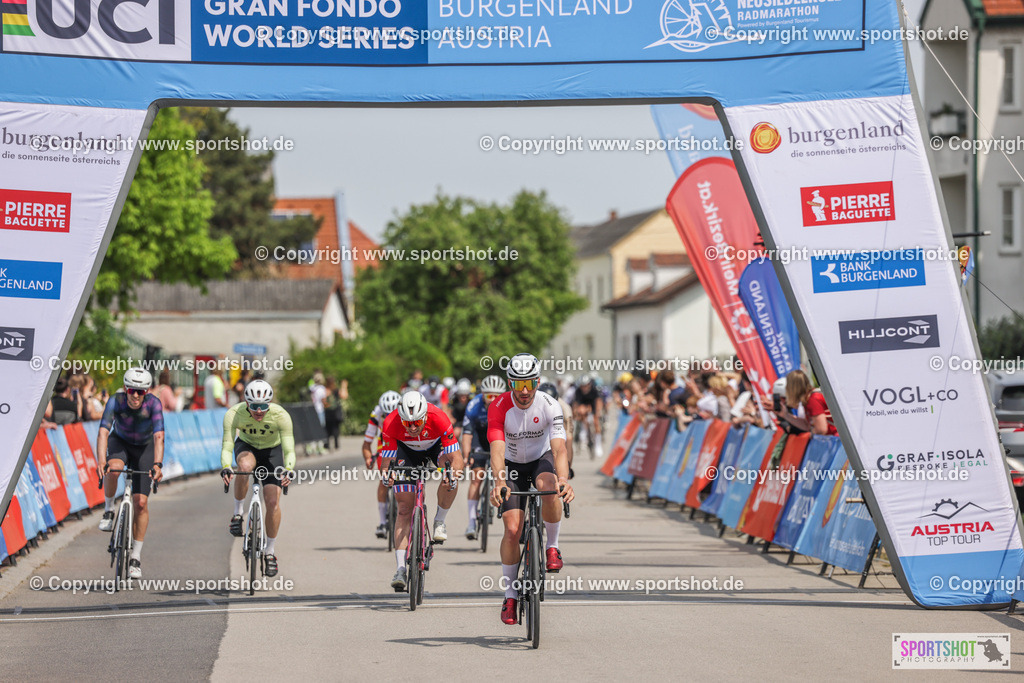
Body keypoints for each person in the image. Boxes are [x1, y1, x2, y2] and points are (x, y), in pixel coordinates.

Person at [489, 353, 574, 625]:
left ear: (537, 381)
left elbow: (559, 447)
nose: (524, 391)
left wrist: (563, 479)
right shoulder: (499, 407)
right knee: (513, 529)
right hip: (512, 464)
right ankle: (511, 594)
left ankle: (552, 546)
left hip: (540, 459)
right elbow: (497, 449)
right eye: (518, 385)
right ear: (510, 383)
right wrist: (500, 481)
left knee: (547, 486)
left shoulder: (550, 404)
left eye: (530, 384)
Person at [380, 391, 463, 591]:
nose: (413, 427)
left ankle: (439, 520)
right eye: (408, 424)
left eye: (417, 422)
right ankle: (400, 568)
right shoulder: (391, 423)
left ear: (425, 415)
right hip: (406, 452)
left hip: (435, 448)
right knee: (403, 508)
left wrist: (453, 474)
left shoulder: (439, 418)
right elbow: (386, 464)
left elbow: (456, 458)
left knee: (449, 475)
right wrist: (387, 476)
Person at [220, 379, 295, 578]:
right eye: (254, 406)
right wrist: (227, 467)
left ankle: (270, 552)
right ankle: (237, 514)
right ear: (246, 403)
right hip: (247, 446)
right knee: (244, 467)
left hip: (272, 452)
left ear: (269, 404)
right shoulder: (234, 414)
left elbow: (289, 448)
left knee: (272, 502)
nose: (259, 411)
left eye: (263, 406)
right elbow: (227, 445)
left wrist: (288, 469)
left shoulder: (281, 415)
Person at [95, 368, 165, 579]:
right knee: (114, 469)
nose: (135, 395)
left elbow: (159, 436)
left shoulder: (154, 404)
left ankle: (135, 556)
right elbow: (103, 432)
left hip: (144, 448)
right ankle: (108, 509)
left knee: (141, 503)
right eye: (132, 390)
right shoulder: (115, 401)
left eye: (140, 391)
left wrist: (157, 464)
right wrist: (101, 461)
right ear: (125, 388)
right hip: (121, 442)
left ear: (147, 392)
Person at [460, 374, 505, 539]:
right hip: (480, 440)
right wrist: (467, 455)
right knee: (476, 477)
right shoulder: (474, 405)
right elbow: (467, 433)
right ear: (482, 395)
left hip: (499, 441)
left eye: (496, 396)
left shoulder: (507, 405)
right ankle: (471, 521)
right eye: (489, 396)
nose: (492, 399)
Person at [363, 390, 402, 538]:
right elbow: (366, 444)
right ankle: (382, 522)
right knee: (384, 480)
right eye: (386, 415)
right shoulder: (376, 415)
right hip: (384, 441)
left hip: (401, 439)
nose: (388, 417)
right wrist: (368, 458)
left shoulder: (405, 412)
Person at [761, 369, 837, 436]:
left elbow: (821, 429)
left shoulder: (813, 400)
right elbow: (807, 426)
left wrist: (809, 435)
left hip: (837, 440)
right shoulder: (808, 399)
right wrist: (786, 415)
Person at [572, 373, 605, 458]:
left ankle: (598, 445)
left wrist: (598, 413)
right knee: (581, 412)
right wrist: (575, 412)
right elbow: (576, 403)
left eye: (585, 385)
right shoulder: (578, 391)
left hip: (593, 406)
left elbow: (598, 401)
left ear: (589, 384)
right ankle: (583, 430)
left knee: (596, 422)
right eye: (582, 386)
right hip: (584, 406)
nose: (584, 388)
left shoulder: (594, 390)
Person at [323, 376, 348, 450]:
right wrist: (344, 386)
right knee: (335, 428)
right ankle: (335, 444)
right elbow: (344, 396)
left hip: (328, 411)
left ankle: (328, 444)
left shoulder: (326, 390)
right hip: (334, 412)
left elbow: (323, 401)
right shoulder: (334, 390)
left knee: (328, 429)